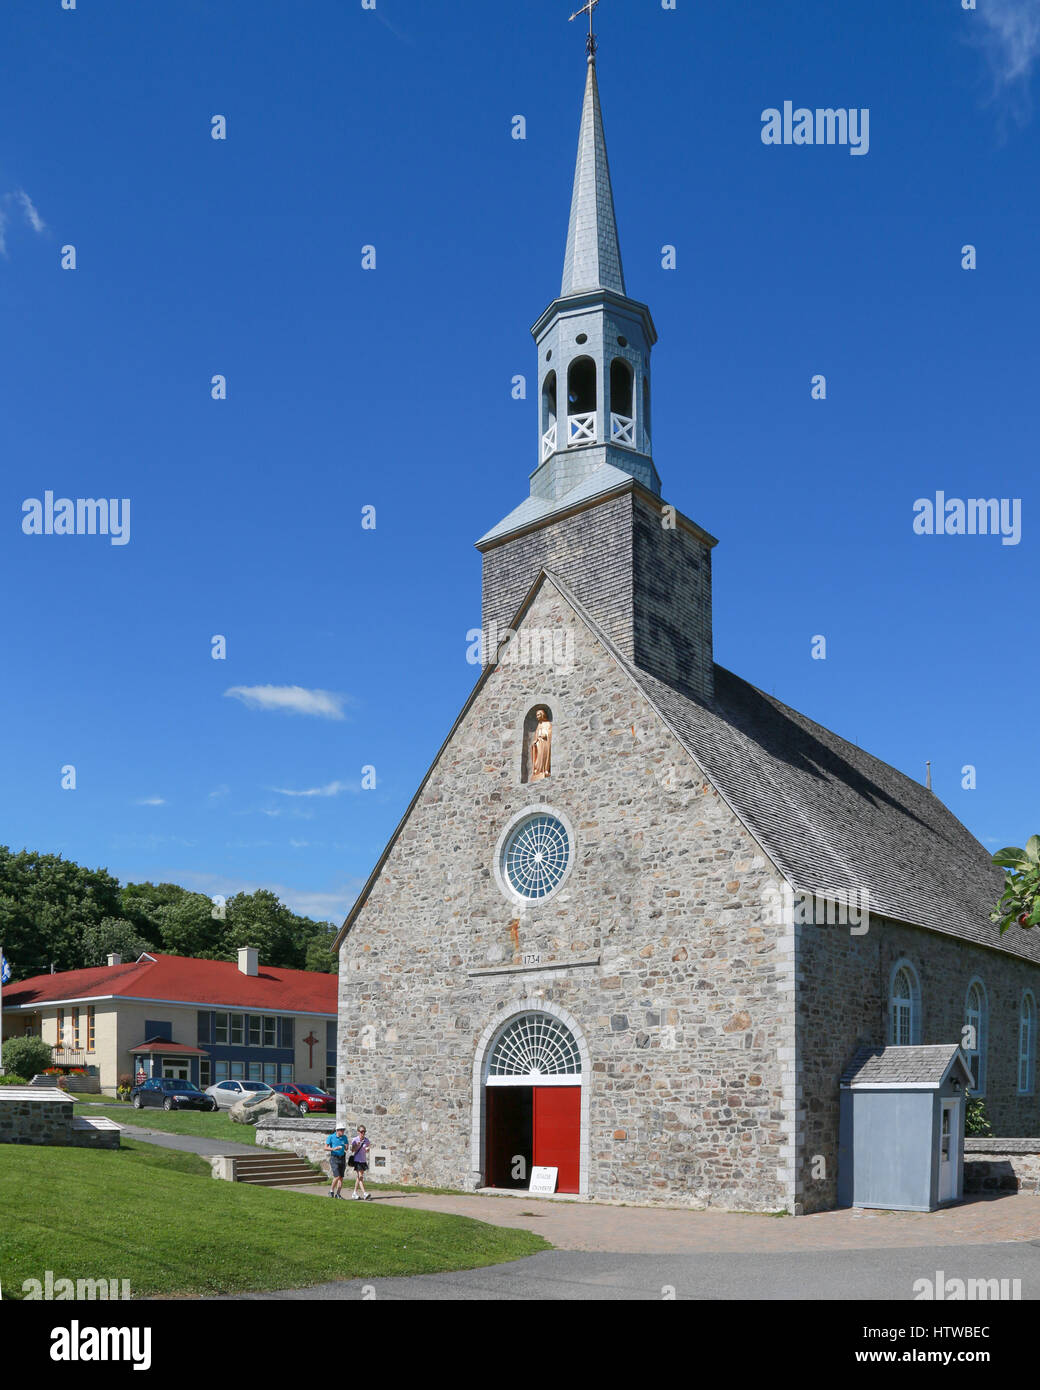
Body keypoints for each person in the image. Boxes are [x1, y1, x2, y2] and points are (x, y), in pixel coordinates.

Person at [325, 1121, 349, 1198]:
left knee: (341, 1177)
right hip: (334, 1158)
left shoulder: (344, 1137)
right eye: (341, 1130)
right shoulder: (331, 1137)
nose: (343, 1131)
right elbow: (325, 1148)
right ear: (337, 1130)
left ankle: (338, 1194)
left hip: (342, 1158)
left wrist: (345, 1146)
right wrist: (334, 1148)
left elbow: (347, 1148)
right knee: (337, 1176)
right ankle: (331, 1191)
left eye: (343, 1130)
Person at [349, 1124, 372, 1200]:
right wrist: (356, 1145)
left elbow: (367, 1149)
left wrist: (368, 1149)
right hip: (357, 1160)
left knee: (359, 1177)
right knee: (360, 1176)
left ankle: (354, 1193)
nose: (363, 1133)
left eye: (364, 1132)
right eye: (361, 1131)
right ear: (358, 1132)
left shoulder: (366, 1140)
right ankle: (365, 1193)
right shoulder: (355, 1140)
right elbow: (352, 1150)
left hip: (363, 1160)